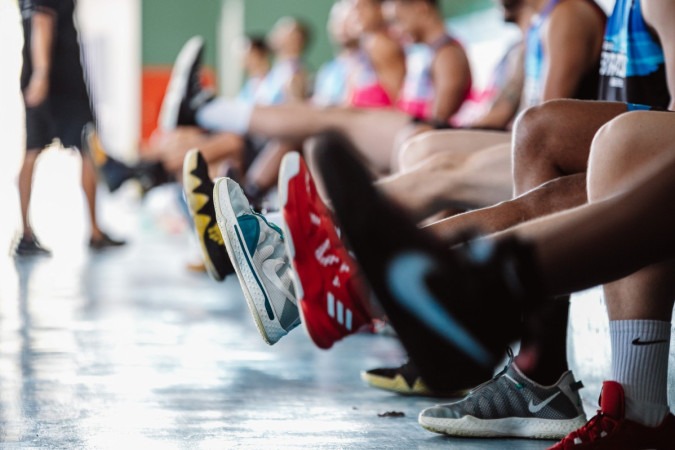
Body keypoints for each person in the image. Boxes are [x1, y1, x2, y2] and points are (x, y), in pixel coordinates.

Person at [171, 0, 473, 175]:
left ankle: (207, 113)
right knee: (320, 125)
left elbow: (437, 124)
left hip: (416, 140)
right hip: (406, 134)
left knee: (324, 121)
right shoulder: (420, 51)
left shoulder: (444, 53)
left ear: (421, 8)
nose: (393, 20)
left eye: (398, 13)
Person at [16, 0, 125, 256]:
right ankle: (94, 232)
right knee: (87, 147)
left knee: (33, 149)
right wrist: (42, 74)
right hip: (59, 82)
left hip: (44, 77)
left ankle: (26, 234)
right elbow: (42, 22)